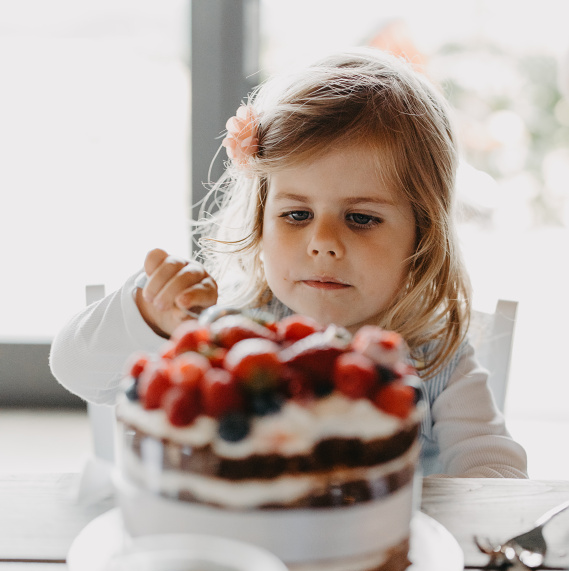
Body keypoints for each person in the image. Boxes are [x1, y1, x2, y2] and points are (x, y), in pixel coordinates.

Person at [50, 48, 527, 478]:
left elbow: (494, 471)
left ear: (424, 234)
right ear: (261, 219)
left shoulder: (439, 359)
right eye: (296, 214)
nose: (322, 243)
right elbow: (75, 368)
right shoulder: (221, 328)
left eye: (361, 218)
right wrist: (151, 318)